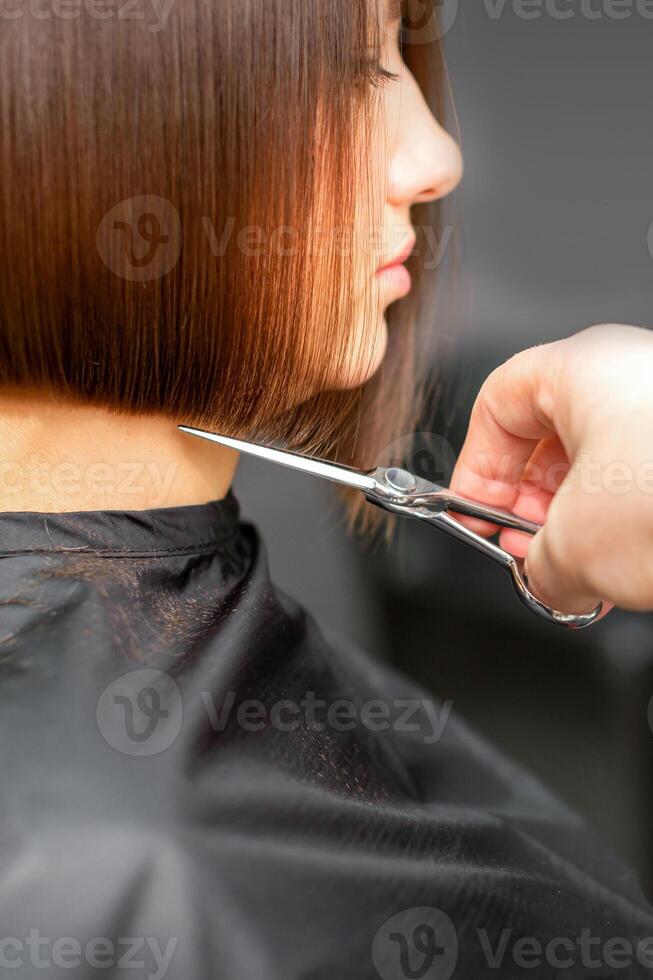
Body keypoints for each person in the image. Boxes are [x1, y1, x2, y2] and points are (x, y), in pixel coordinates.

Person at [0, 0, 651, 978]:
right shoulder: (136, 886)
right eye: (352, 71)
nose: (435, 154)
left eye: (400, 57)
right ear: (94, 126)